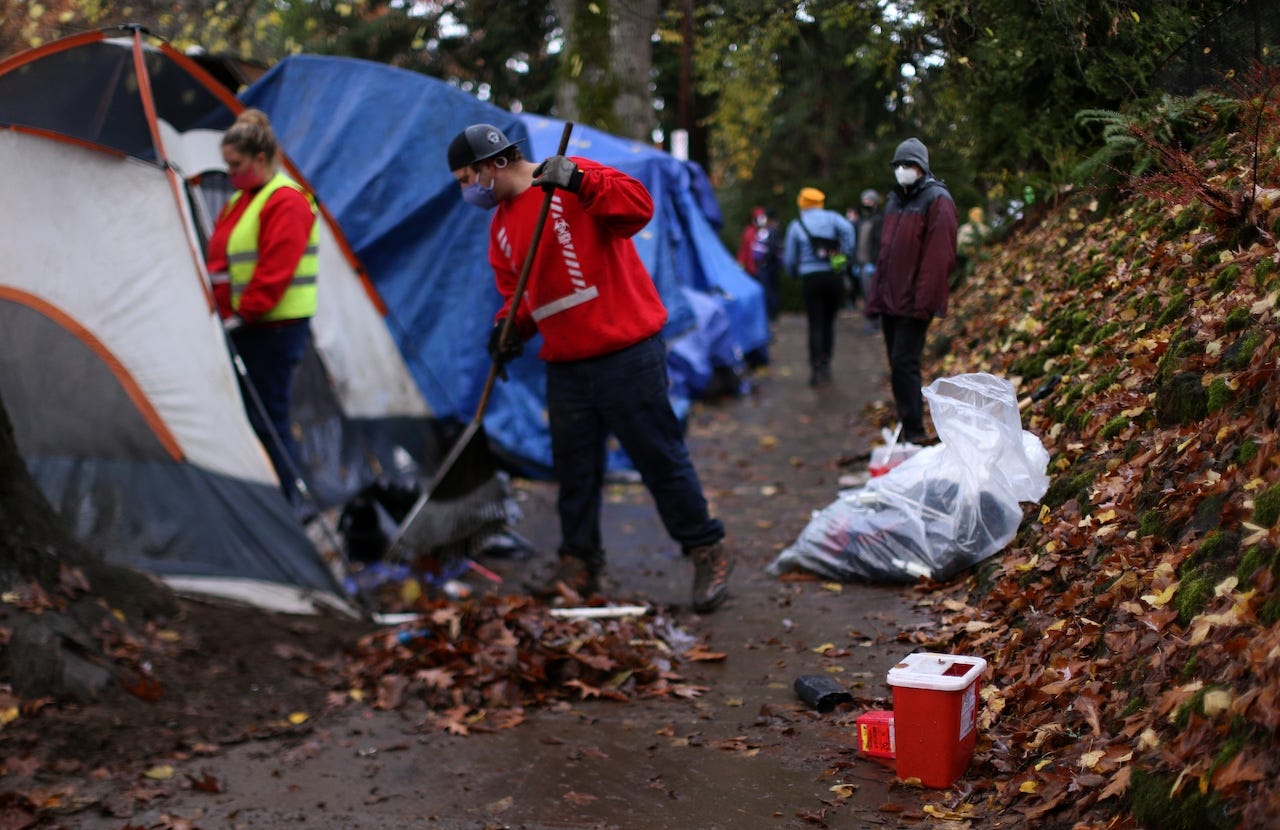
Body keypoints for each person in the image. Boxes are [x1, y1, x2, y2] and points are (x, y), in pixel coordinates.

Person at [446, 123, 734, 613]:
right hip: (567, 364)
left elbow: (638, 207)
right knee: (575, 471)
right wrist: (507, 329)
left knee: (658, 457)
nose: (465, 190)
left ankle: (706, 548)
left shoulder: (567, 180)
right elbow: (519, 297)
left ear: (492, 163)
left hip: (627, 350)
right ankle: (579, 562)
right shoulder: (500, 230)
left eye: (465, 178)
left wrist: (579, 179)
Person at [206, 108, 318, 505]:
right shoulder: (242, 200)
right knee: (256, 420)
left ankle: (288, 503)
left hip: (272, 328)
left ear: (260, 158)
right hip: (245, 326)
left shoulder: (286, 201)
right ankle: (269, 499)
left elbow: (275, 271)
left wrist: (243, 314)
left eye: (235, 165)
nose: (230, 174)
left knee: (268, 420)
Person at [866, 137, 958, 444]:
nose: (903, 170)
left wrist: (923, 303)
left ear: (921, 167)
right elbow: (885, 252)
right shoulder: (896, 200)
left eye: (908, 165)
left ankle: (915, 430)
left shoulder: (937, 200)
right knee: (897, 364)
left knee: (905, 363)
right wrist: (876, 296)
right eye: (898, 165)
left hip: (913, 302)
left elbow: (938, 257)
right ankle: (908, 425)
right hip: (891, 300)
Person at [783, 187, 855, 387]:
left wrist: (793, 273)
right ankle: (826, 364)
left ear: (802, 203)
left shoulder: (797, 224)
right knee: (829, 323)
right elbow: (848, 229)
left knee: (815, 323)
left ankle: (816, 369)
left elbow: (789, 258)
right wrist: (845, 256)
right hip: (832, 276)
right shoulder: (832, 218)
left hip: (810, 279)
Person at [851, 188, 883, 331]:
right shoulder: (862, 221)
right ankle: (871, 320)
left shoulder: (879, 220)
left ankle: (875, 322)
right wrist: (855, 262)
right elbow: (857, 242)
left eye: (869, 201)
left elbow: (879, 242)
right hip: (862, 263)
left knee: (874, 294)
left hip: (873, 264)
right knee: (865, 294)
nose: (866, 204)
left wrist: (875, 262)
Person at [954, 205, 990, 286]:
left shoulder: (964, 227)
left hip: (959, 251)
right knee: (972, 260)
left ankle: (964, 280)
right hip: (966, 251)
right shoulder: (980, 228)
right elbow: (988, 236)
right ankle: (968, 278)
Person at [736, 207, 766, 278]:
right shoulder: (749, 232)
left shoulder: (766, 232)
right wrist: (740, 267)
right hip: (751, 271)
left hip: (764, 271)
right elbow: (743, 251)